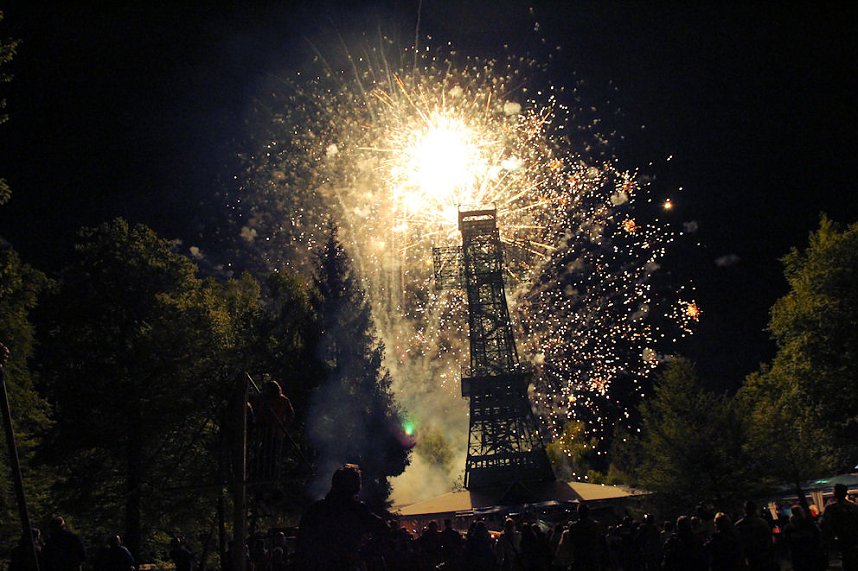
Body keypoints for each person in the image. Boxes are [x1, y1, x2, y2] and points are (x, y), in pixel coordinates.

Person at [294, 464, 388, 570]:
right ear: (356, 486)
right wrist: (364, 553)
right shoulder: (357, 510)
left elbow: (301, 544)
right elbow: (384, 529)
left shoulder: (316, 509)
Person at [823, 483, 858, 571]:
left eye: (834, 491)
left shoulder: (831, 508)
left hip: (840, 538)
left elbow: (826, 524)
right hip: (853, 538)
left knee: (846, 560)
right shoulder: (854, 507)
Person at [783, 505, 826, 571]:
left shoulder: (789, 526)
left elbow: (787, 540)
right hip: (809, 552)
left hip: (798, 554)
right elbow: (817, 535)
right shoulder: (808, 524)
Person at [735, 501, 775, 571]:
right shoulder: (762, 522)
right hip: (763, 555)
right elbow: (769, 538)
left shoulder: (739, 525)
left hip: (750, 556)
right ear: (755, 510)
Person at [568, 503, 601, 571]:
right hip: (591, 556)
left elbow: (571, 541)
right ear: (588, 512)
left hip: (579, 556)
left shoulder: (573, 527)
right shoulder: (594, 525)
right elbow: (598, 540)